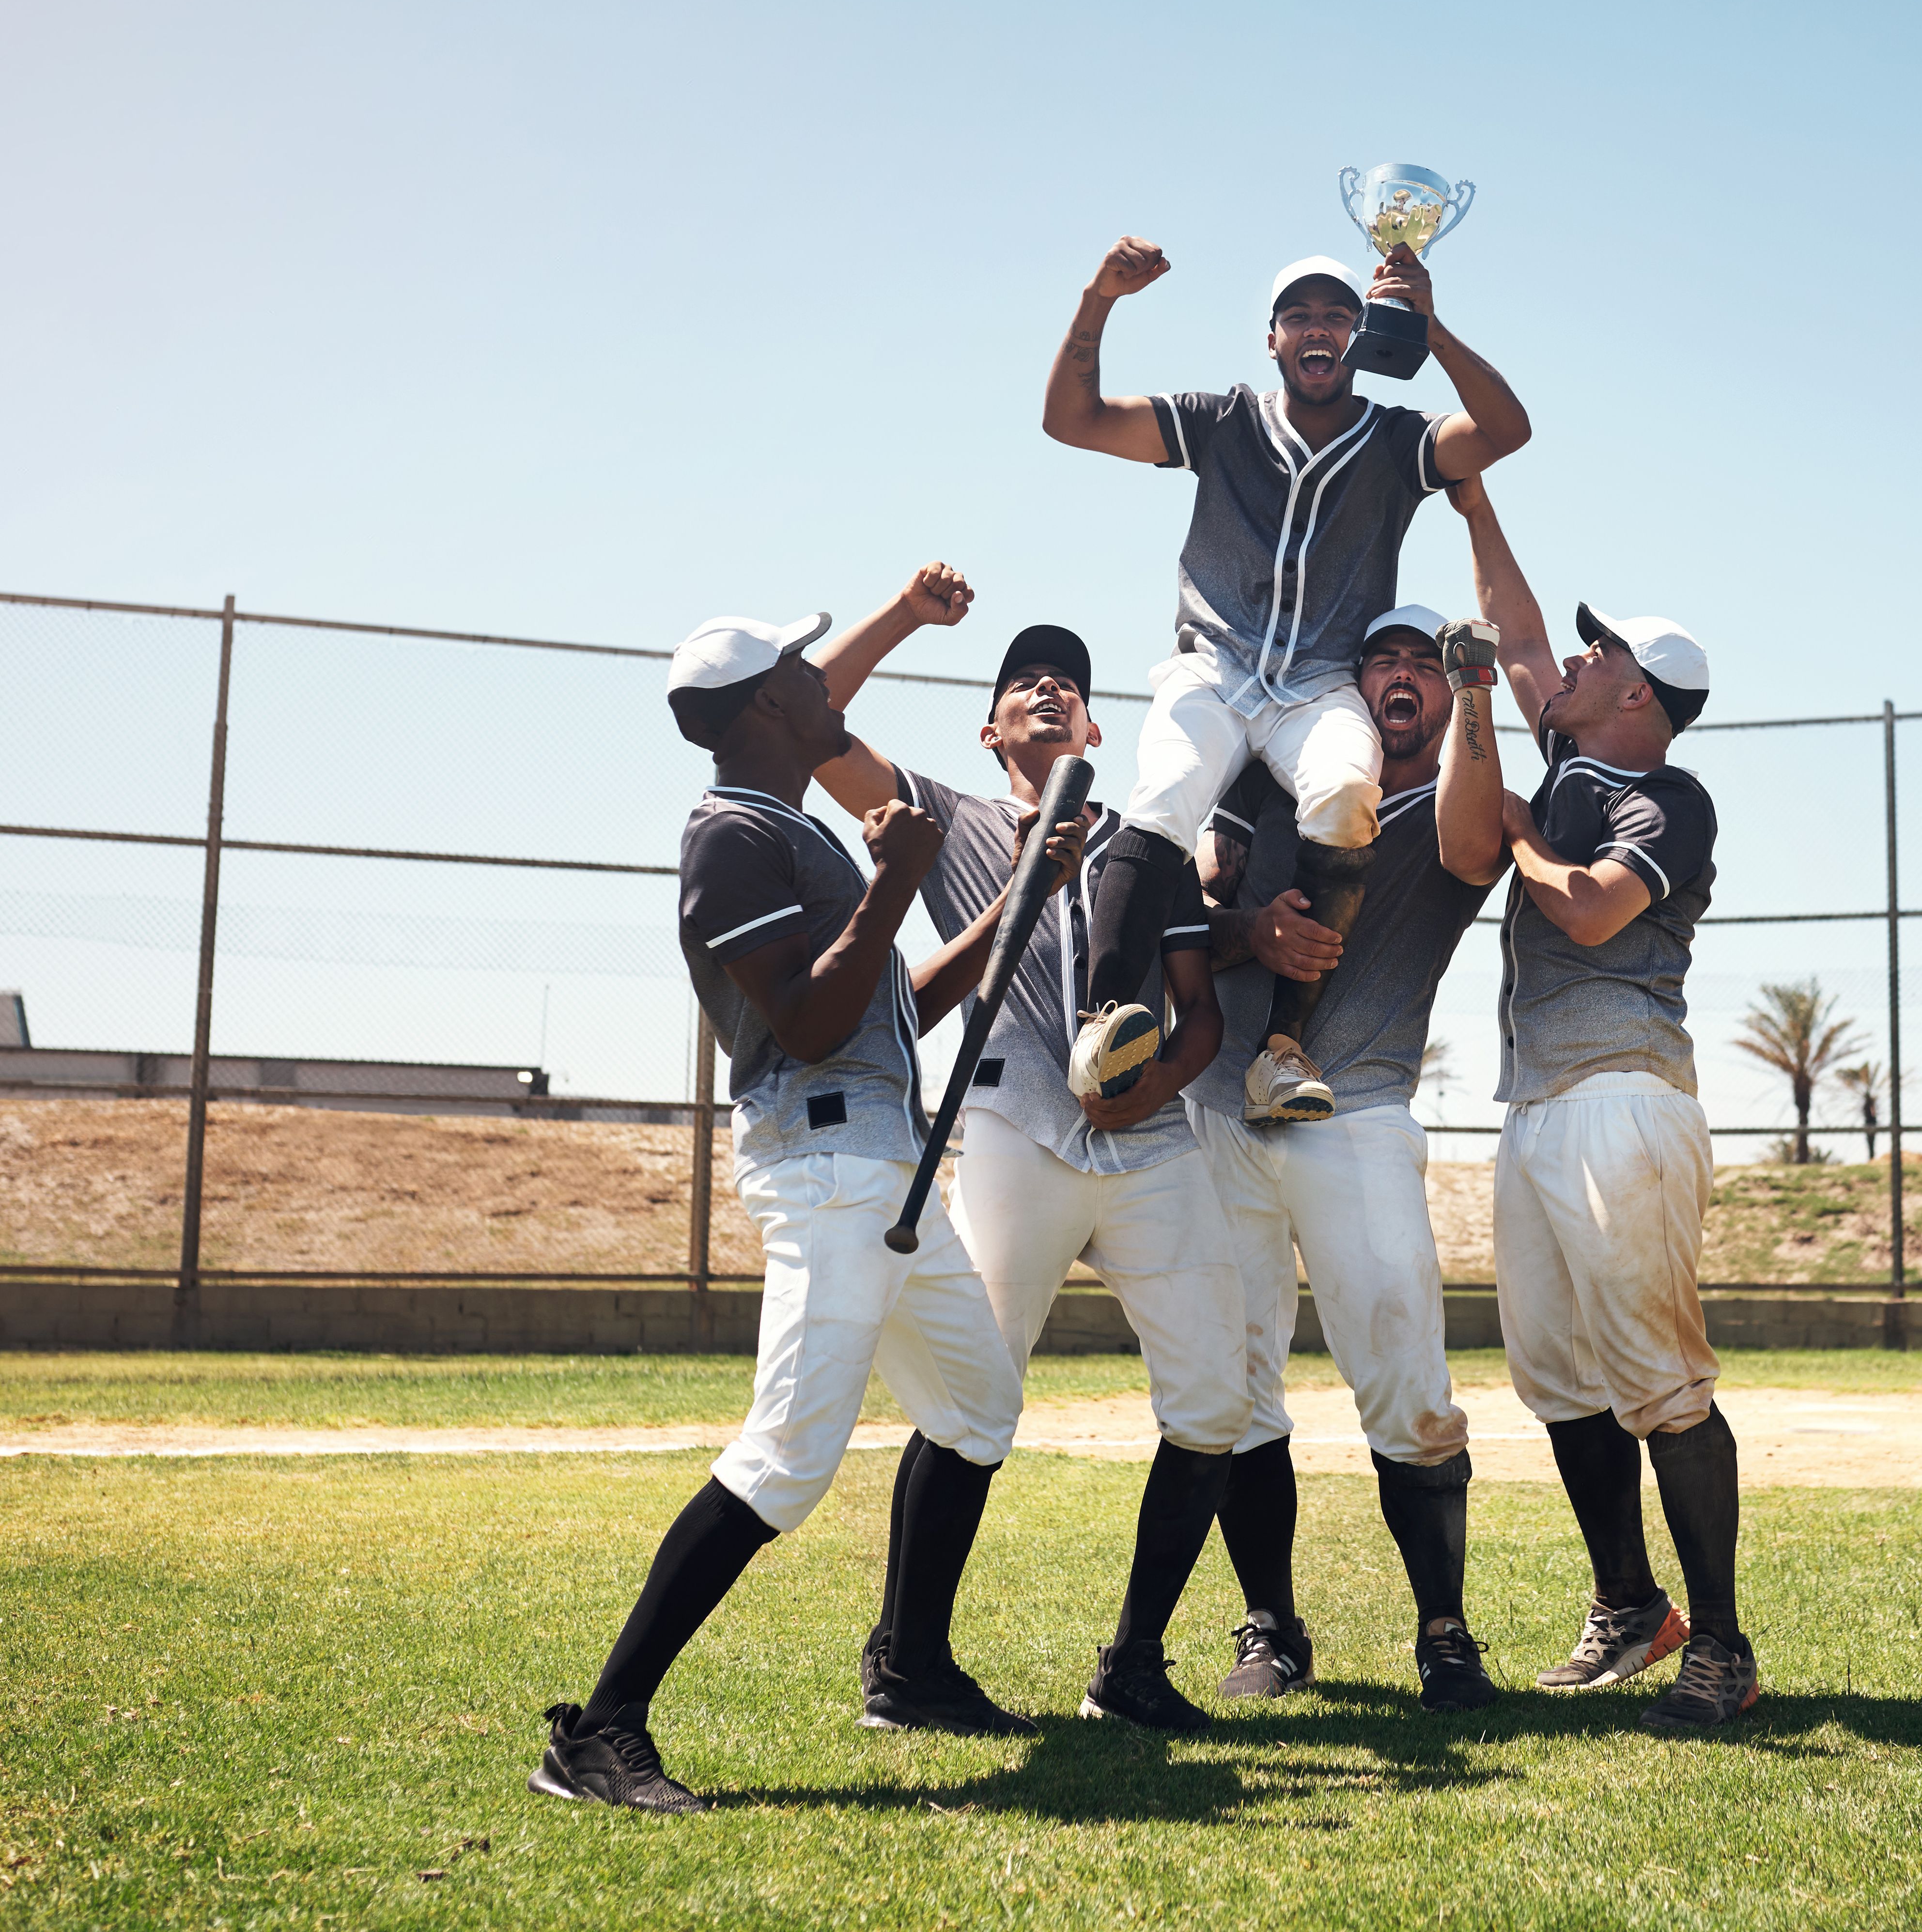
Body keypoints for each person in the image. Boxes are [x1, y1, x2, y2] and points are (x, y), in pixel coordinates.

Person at [532, 608, 1080, 1815]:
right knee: (784, 1459)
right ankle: (599, 1729)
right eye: (799, 666)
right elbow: (807, 1024)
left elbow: (897, 1005)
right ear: (767, 705)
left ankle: (915, 1670)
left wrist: (1020, 890)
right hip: (826, 1168)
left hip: (884, 1168)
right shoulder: (730, 836)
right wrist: (893, 880)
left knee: (979, 1405)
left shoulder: (795, 830)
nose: (824, 681)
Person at [805, 567, 1251, 1733]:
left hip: (1147, 1136)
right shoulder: (949, 818)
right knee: (973, 1392)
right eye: (1021, 682)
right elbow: (811, 725)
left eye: (1067, 682)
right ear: (991, 725)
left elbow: (1200, 1012)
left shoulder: (1149, 843)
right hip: (1008, 1125)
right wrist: (904, 616)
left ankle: (1134, 1665)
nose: (1047, 687)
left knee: (1217, 1394)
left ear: (1096, 727)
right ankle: (906, 1667)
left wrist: (1151, 1081)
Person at [1038, 233, 1532, 1127]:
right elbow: (1071, 421)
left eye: (1338, 316)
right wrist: (1098, 298)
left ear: (1361, 334)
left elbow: (1506, 432)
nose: (1319, 329)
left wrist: (1432, 326)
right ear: (1270, 338)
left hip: (1318, 686)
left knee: (1348, 792)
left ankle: (1281, 1051)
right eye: (1298, 315)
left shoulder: (1394, 437)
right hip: (1214, 668)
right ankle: (1103, 1016)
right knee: (1166, 792)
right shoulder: (1224, 419)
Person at [1433, 475, 1756, 1732]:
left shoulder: (1667, 799)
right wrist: (1469, 499)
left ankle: (1721, 1648)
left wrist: (1514, 831)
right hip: (1540, 1109)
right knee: (1556, 1378)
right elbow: (1513, 634)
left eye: (1598, 649)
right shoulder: (1576, 749)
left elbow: (1586, 907)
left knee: (1661, 1383)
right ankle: (1630, 1607)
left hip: (1625, 1100)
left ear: (1639, 694)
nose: (1564, 659)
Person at [1185, 601, 1506, 1713]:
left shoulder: (1455, 799)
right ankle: (1271, 1629)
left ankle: (1444, 1633)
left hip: (1359, 1113)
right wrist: (1249, 933)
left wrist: (1475, 684)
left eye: (1423, 661)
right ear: (1352, 686)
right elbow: (1183, 918)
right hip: (1225, 1113)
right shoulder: (1272, 785)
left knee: (1408, 1385)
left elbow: (1477, 849)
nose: (1402, 676)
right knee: (1232, 1386)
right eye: (1385, 661)